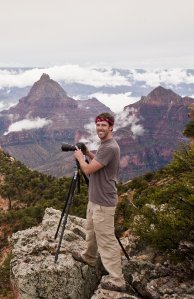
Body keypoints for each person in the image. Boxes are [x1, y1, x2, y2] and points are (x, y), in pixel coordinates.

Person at [72, 112, 126, 292]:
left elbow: (87, 169)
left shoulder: (110, 147)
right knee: (92, 231)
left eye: (104, 125)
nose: (100, 128)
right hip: (95, 198)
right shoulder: (105, 146)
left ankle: (118, 280)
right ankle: (89, 257)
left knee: (106, 239)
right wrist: (87, 152)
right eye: (98, 125)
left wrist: (80, 158)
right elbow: (98, 163)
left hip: (104, 201)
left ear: (111, 127)